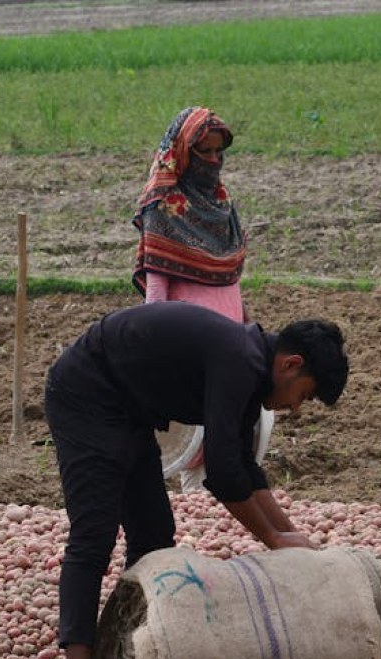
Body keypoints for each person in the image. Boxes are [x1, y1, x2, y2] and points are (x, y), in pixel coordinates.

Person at [43, 302, 349, 659]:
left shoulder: (252, 363)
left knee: (154, 531)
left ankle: (127, 655)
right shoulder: (239, 360)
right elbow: (222, 474)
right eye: (305, 395)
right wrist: (274, 540)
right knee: (94, 534)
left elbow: (244, 463)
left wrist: (289, 536)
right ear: (291, 364)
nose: (296, 408)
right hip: (87, 396)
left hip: (128, 409)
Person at [132, 106, 252, 490]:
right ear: (183, 151)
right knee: (196, 443)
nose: (214, 161)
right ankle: (194, 528)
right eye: (205, 152)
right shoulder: (165, 204)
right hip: (190, 348)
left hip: (230, 342)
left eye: (220, 153)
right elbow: (157, 286)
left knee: (229, 446)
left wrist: (247, 330)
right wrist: (153, 351)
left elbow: (230, 279)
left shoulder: (220, 204)